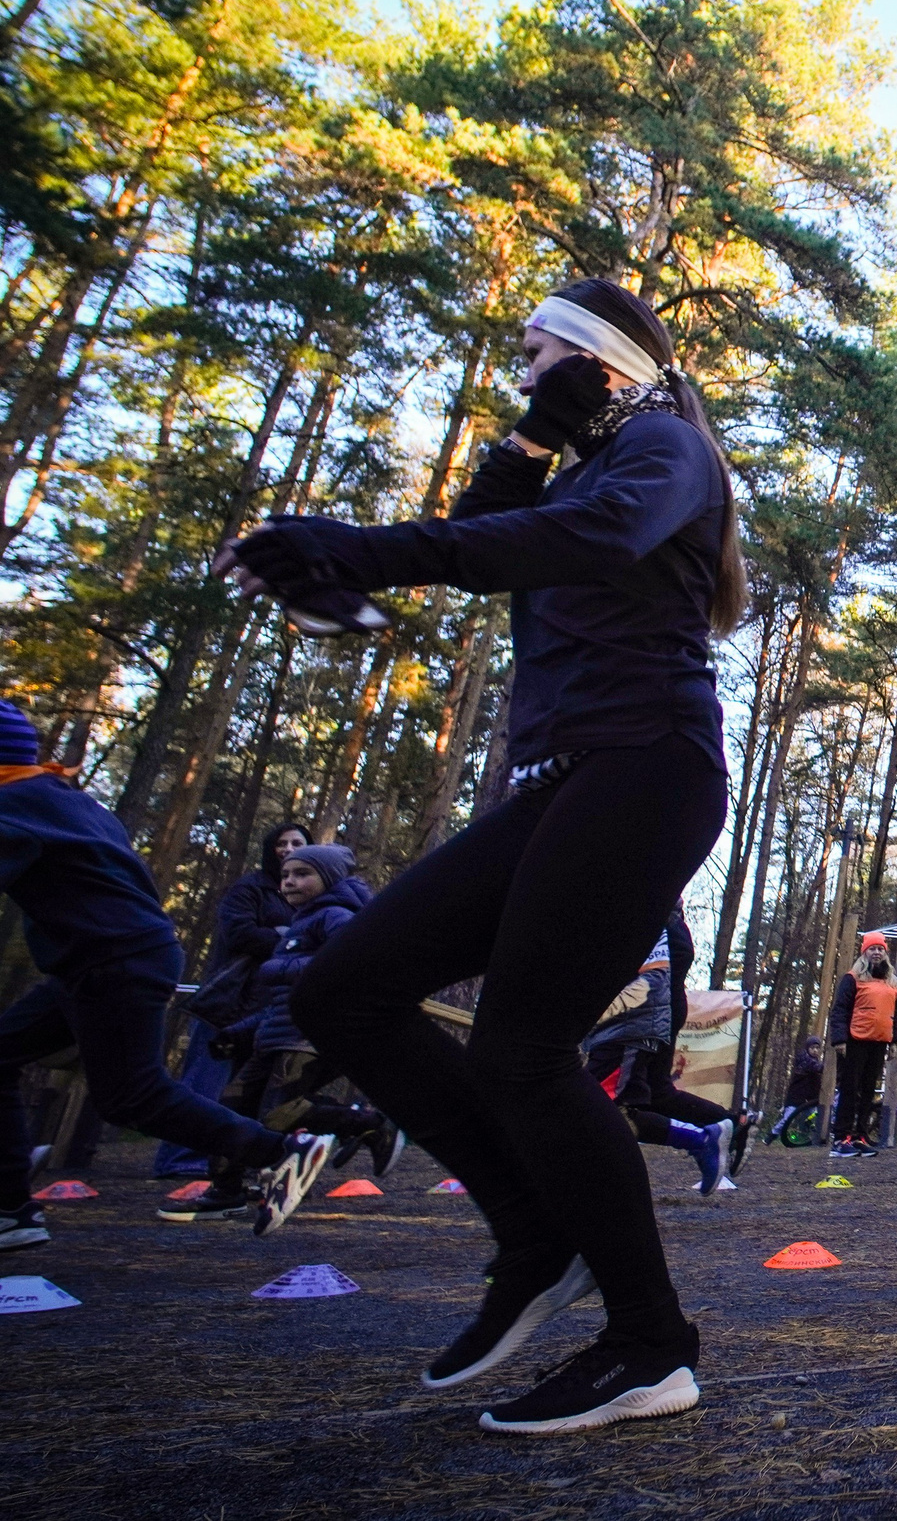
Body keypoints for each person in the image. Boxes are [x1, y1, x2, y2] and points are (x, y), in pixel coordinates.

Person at [228, 278, 740, 1432]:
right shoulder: (584, 464)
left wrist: (362, 552)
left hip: (648, 765)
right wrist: (529, 437)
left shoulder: (664, 445)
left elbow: (583, 538)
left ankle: (650, 1346)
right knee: (343, 990)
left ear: (600, 359)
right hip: (567, 781)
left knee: (523, 1049)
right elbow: (492, 531)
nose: (520, 366)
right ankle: (534, 1239)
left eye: (538, 351)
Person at [0, 698, 325, 1252]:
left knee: (133, 1095)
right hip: (107, 958)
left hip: (112, 960)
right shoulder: (64, 798)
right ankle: (11, 1208)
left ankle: (279, 1152)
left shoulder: (14, 806)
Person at [167, 844, 400, 1226]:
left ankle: (368, 1124)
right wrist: (239, 1032)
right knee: (230, 1110)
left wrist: (281, 969)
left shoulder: (335, 915)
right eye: (286, 874)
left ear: (329, 878)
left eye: (302, 874)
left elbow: (352, 960)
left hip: (308, 1035)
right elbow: (280, 1001)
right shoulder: (299, 923)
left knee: (279, 1113)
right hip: (273, 1034)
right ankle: (226, 1190)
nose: (289, 881)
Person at [581, 933, 727, 1195]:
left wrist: (599, 1013)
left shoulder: (645, 916)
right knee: (607, 1111)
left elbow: (655, 976)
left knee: (593, 1108)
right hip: (612, 1030)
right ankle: (702, 1139)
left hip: (626, 1028)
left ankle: (702, 1139)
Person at [826, 932, 897, 1158]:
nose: (877, 952)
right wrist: (839, 1039)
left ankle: (860, 1136)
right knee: (850, 1089)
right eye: (872, 948)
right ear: (864, 952)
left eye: (880, 949)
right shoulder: (852, 978)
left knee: (868, 1091)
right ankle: (841, 1139)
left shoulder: (892, 982)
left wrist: (895, 1040)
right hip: (854, 1041)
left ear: (885, 952)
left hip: (879, 1042)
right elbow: (840, 1010)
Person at [769, 1037, 826, 1145]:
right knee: (788, 1118)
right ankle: (772, 1134)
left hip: (809, 1098)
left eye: (817, 1048)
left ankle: (812, 1136)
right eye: (812, 1048)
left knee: (814, 1117)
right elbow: (817, 1068)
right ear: (807, 1048)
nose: (815, 1050)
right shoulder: (804, 1059)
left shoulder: (815, 1061)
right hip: (796, 1096)